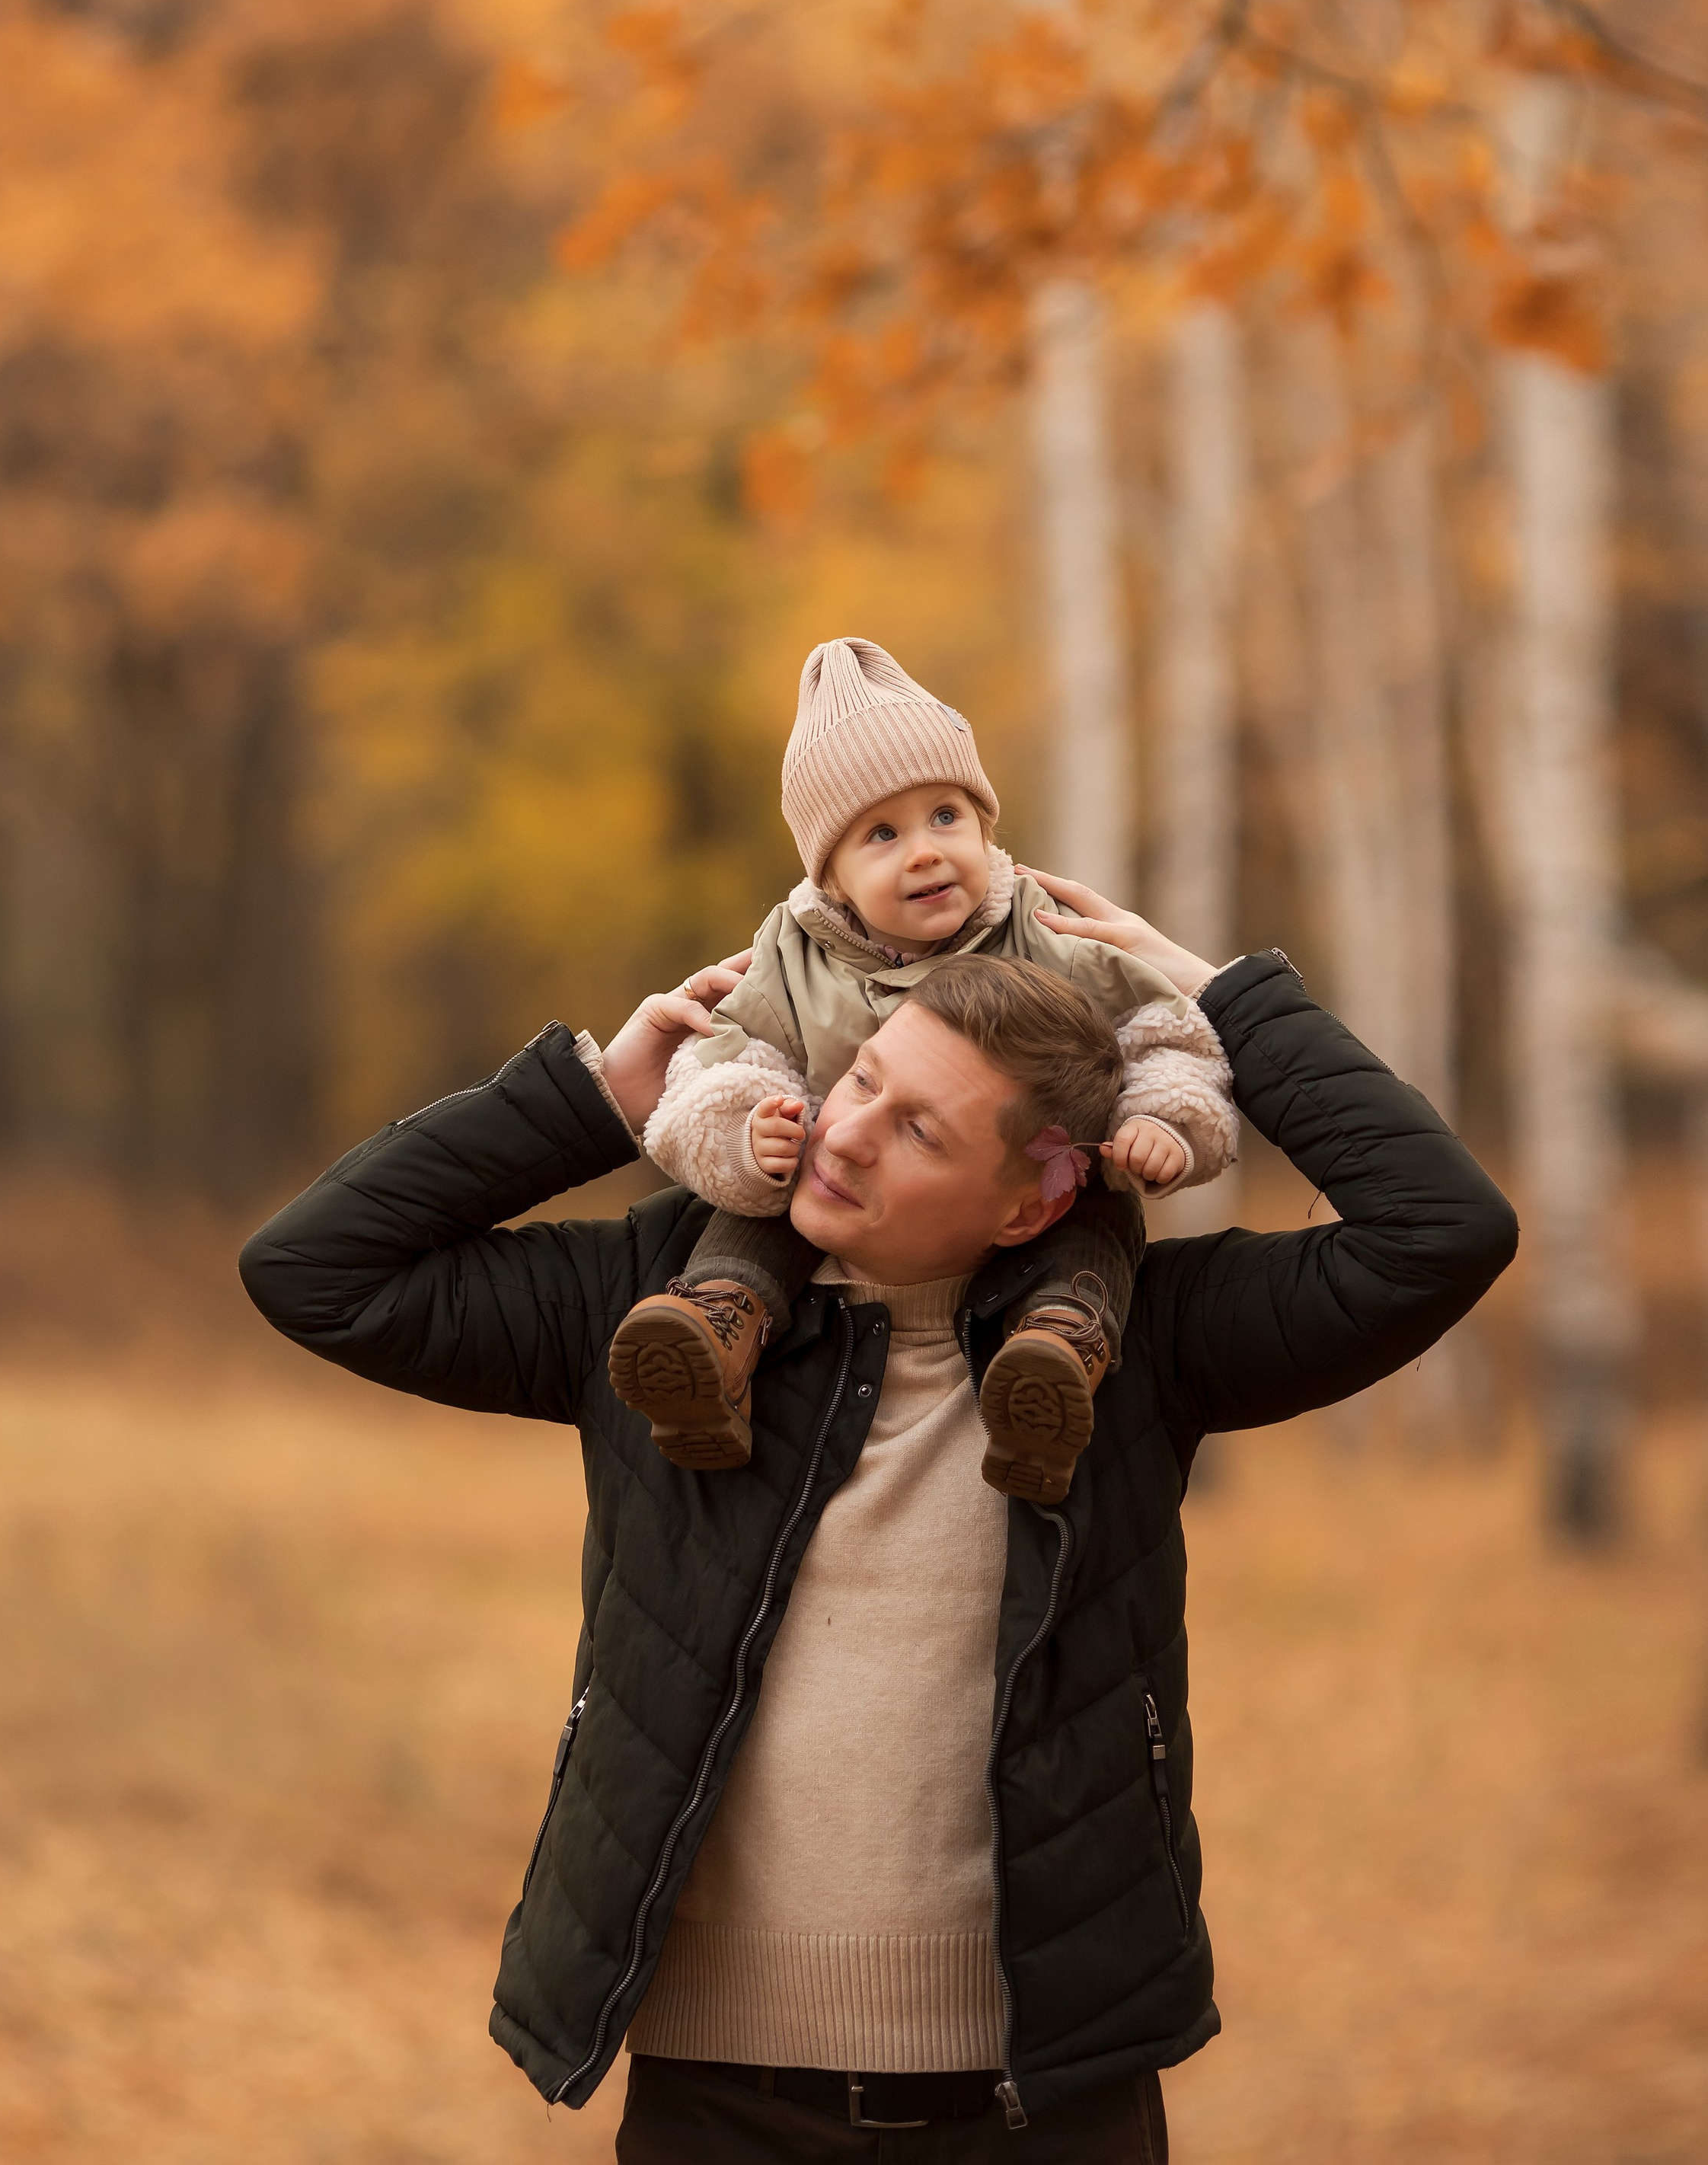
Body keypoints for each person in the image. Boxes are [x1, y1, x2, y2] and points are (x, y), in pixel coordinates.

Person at [240, 892, 1517, 2158]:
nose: (846, 1134)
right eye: (860, 1082)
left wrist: (1224, 1000)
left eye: (918, 1130)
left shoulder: (1134, 1348)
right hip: (719, 2102)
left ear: (1027, 1205)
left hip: (1043, 2103)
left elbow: (1441, 1231)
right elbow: (316, 1270)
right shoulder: (663, 1309)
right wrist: (596, 1101)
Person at [611, 637, 1237, 1502]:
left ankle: (1056, 1352)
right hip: (840, 1180)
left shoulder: (1044, 929)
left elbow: (1163, 1028)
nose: (924, 852)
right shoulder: (791, 952)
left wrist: (1164, 1120)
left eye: (946, 816)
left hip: (1036, 1177)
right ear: (829, 876)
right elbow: (726, 1055)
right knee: (768, 1202)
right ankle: (714, 1334)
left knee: (1091, 1208)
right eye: (881, 834)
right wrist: (743, 1128)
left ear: (985, 824)